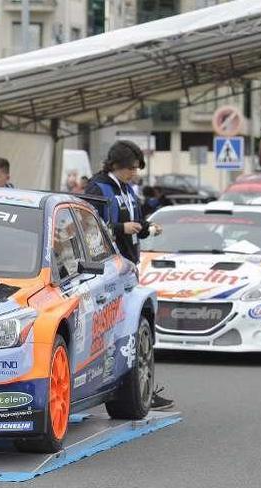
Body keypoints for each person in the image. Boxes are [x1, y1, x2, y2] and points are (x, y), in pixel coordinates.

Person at [85, 140, 173, 412]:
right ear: (116, 165)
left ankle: (138, 388)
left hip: (130, 267)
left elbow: (136, 221)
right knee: (119, 334)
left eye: (136, 169)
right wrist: (122, 227)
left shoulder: (127, 188)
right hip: (109, 271)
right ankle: (123, 390)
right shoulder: (97, 187)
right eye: (131, 169)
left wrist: (147, 228)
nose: (134, 174)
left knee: (134, 330)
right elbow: (89, 228)